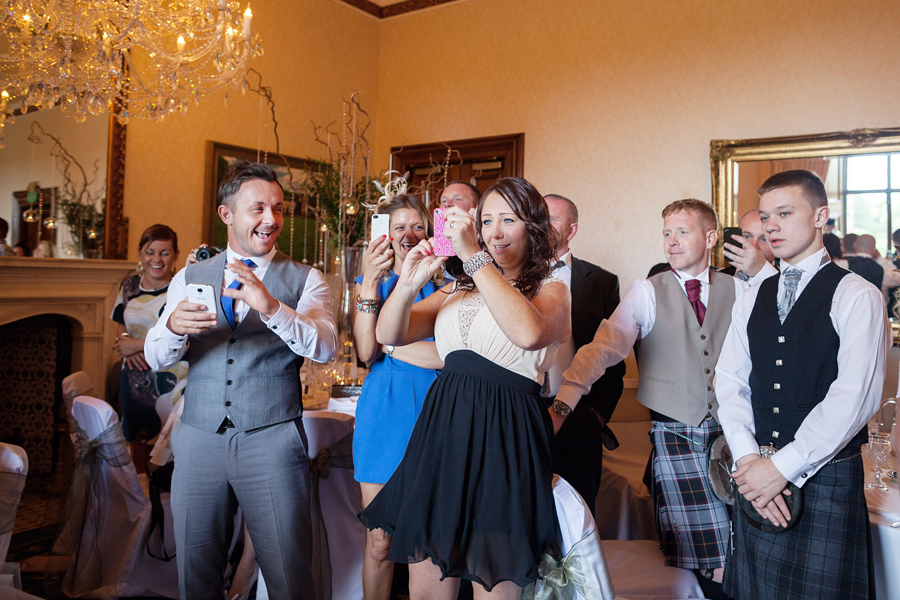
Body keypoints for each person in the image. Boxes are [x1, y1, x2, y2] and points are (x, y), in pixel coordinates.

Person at [361, 177, 570, 600]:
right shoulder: (458, 286)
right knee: (427, 588)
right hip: (443, 432)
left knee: (495, 584)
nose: (493, 232)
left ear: (531, 227)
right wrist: (407, 282)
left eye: (507, 220)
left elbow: (528, 332)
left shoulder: (551, 288)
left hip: (505, 436)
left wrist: (473, 255)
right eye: (486, 220)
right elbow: (389, 332)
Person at [145, 161, 337, 600]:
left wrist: (270, 307)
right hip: (198, 439)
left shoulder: (306, 279)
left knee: (289, 576)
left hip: (273, 441)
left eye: (278, 208)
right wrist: (173, 326)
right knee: (196, 575)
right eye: (258, 209)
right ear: (226, 214)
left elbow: (325, 346)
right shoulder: (188, 276)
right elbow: (157, 356)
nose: (271, 220)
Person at [554, 198, 761, 600]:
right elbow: (602, 350)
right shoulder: (646, 292)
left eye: (682, 231)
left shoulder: (741, 289)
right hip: (676, 434)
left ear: (711, 237)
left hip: (737, 435)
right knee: (704, 555)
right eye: (666, 233)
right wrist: (564, 401)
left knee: (746, 543)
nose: (671, 241)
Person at [716, 169, 889, 600]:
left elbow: (855, 398)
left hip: (825, 477)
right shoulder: (753, 293)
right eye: (766, 216)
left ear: (820, 217)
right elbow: (730, 380)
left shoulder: (857, 294)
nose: (771, 225)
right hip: (755, 477)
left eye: (785, 213)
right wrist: (750, 462)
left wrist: (781, 468)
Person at [352, 193, 445, 599]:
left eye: (418, 226)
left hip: (436, 412)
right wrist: (370, 282)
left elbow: (449, 355)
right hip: (383, 414)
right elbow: (364, 351)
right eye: (399, 227)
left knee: (431, 539)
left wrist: (389, 344)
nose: (409, 234)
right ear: (385, 237)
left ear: (431, 234)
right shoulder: (371, 284)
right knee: (380, 542)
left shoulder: (448, 285)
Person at [543, 193, 625, 516]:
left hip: (580, 415)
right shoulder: (511, 276)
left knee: (578, 515)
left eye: (551, 218)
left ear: (571, 230)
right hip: (524, 409)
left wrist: (597, 417)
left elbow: (614, 356)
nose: (541, 224)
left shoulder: (602, 282)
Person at [111, 224, 187, 442]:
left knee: (168, 444)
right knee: (136, 438)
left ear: (176, 255)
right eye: (150, 252)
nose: (157, 259)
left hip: (172, 378)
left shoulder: (182, 289)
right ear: (140, 254)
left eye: (165, 253)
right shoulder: (129, 285)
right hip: (134, 376)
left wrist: (135, 346)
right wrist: (124, 341)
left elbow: (183, 336)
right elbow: (120, 322)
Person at [439, 180, 481, 279]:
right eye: (443, 201)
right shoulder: (435, 248)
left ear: (477, 208)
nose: (447, 204)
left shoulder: (491, 244)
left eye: (458, 199)